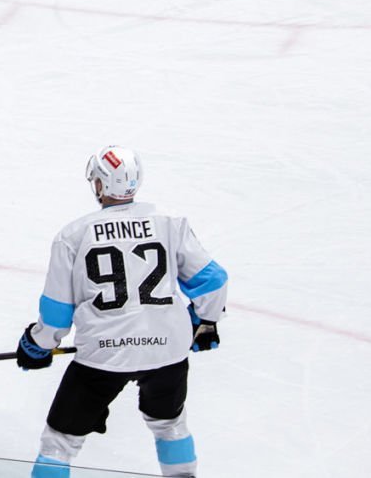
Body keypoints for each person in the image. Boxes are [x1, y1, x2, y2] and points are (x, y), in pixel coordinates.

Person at [16, 147, 228, 478]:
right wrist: (204, 323)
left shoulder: (74, 235)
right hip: (168, 352)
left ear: (100, 184)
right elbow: (212, 281)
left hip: (104, 354)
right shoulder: (169, 223)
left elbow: (57, 314)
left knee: (60, 443)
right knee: (170, 424)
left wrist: (38, 344)